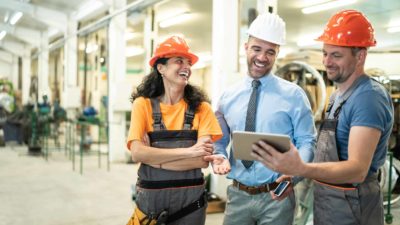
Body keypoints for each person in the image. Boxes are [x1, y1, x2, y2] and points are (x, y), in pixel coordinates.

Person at [251, 9, 394, 225]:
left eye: (336, 55)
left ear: (360, 56)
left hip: (355, 207)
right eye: (325, 53)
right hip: (328, 203)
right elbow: (326, 155)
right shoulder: (337, 96)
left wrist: (302, 168)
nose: (327, 61)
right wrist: (296, 176)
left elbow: (357, 169)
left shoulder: (368, 97)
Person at [212, 13, 316, 225]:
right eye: (256, 49)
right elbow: (219, 140)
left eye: (270, 52)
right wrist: (220, 156)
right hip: (238, 196)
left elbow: (307, 141)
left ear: (277, 53)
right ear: (246, 47)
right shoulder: (227, 97)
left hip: (277, 197)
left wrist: (294, 175)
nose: (262, 57)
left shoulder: (294, 96)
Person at [126, 35, 225, 225]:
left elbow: (201, 160)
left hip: (191, 205)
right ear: (160, 68)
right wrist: (188, 152)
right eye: (179, 61)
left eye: (188, 62)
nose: (186, 67)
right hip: (151, 204)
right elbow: (137, 153)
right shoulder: (142, 105)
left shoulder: (201, 108)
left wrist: (155, 159)